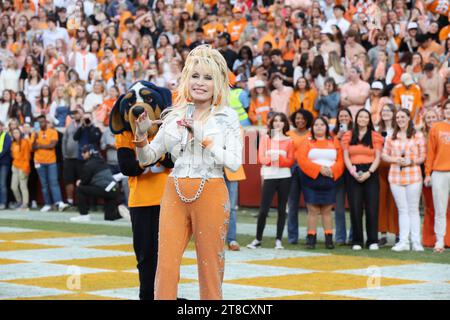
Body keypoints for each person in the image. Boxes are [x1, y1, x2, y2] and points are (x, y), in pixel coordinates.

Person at [134, 45, 242, 300]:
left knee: (210, 268)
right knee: (166, 265)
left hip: (212, 191)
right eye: (195, 76)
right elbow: (148, 157)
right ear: (186, 79)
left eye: (207, 77)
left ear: (217, 83)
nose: (200, 83)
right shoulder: (173, 115)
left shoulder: (227, 117)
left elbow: (235, 163)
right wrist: (140, 137)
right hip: (174, 191)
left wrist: (203, 138)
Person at [247, 112, 295, 250]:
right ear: (272, 123)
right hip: (269, 176)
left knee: (281, 209)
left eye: (281, 121)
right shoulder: (265, 138)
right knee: (263, 209)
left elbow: (291, 161)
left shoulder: (289, 141)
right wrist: (270, 160)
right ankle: (257, 239)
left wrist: (279, 160)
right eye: (275, 121)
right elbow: (260, 158)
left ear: (285, 124)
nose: (278, 123)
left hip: (285, 177)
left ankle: (278, 240)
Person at [382, 108, 426, 251]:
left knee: (413, 210)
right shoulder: (391, 137)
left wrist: (410, 161)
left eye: (403, 117)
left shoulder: (417, 135)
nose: (400, 119)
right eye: (398, 117)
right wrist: (397, 159)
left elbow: (422, 156)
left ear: (408, 118)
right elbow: (384, 155)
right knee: (402, 210)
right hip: (395, 177)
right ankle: (403, 242)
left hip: (413, 176)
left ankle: (416, 242)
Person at [298, 117, 344, 249]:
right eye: (316, 125)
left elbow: (340, 160)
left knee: (327, 210)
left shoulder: (334, 140)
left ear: (326, 127)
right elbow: (301, 159)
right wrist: (319, 169)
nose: (319, 127)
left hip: (330, 179)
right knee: (312, 210)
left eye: (322, 125)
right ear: (312, 127)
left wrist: (332, 170)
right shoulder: (306, 141)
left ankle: (329, 239)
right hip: (311, 179)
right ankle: (311, 238)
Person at [342, 109, 383, 250]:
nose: (363, 119)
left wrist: (369, 172)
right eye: (360, 116)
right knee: (355, 207)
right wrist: (353, 172)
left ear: (369, 120)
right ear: (356, 118)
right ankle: (357, 241)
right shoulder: (348, 135)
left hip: (370, 172)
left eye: (366, 117)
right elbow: (346, 156)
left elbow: (378, 157)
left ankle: (372, 240)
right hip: (353, 172)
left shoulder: (375, 136)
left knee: (372, 207)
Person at [421, 108, 450, 248]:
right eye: (447, 108)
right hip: (439, 172)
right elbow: (431, 153)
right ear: (443, 111)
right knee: (440, 209)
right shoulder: (436, 127)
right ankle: (440, 240)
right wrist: (427, 173)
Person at [70, 144, 122, 222]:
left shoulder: (89, 164)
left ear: (90, 152)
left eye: (84, 152)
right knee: (109, 217)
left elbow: (84, 182)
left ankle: (84, 215)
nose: (82, 154)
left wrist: (80, 181)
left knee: (80, 189)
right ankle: (122, 213)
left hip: (107, 189)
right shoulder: (101, 161)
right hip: (114, 189)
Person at [286, 109, 313, 244]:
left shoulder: (312, 134)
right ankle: (292, 237)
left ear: (308, 120)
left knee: (311, 205)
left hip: (308, 170)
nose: (300, 121)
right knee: (292, 205)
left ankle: (311, 235)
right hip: (291, 170)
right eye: (297, 118)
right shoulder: (288, 134)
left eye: (303, 118)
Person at [31, 115, 69, 212]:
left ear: (46, 122)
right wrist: (35, 139)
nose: (41, 124)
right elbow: (33, 148)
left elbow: (52, 145)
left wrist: (40, 145)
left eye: (43, 122)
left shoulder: (53, 132)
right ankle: (48, 203)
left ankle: (59, 202)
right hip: (39, 161)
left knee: (54, 182)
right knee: (44, 184)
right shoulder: (35, 133)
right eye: (39, 122)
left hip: (51, 161)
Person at [377, 103, 400, 246]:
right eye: (383, 110)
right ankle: (382, 233)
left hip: (395, 167)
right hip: (379, 168)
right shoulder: (375, 129)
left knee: (396, 201)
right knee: (380, 201)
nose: (385, 113)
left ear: (393, 113)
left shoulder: (398, 130)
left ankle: (398, 233)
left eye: (388, 111)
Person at [332, 108, 353, 245]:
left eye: (346, 116)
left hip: (352, 171)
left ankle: (353, 236)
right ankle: (340, 237)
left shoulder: (356, 133)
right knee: (339, 207)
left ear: (351, 118)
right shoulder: (333, 134)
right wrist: (338, 137)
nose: (343, 118)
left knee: (354, 206)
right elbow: (331, 152)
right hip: (338, 172)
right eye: (341, 116)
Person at [62, 108, 83, 206]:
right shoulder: (70, 125)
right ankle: (70, 201)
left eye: (78, 113)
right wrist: (64, 154)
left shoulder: (85, 124)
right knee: (68, 179)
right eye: (75, 113)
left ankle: (81, 201)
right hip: (69, 158)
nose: (76, 115)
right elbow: (64, 140)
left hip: (81, 158)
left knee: (81, 180)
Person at [10, 127, 31, 210]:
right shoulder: (13, 144)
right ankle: (19, 201)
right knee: (13, 186)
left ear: (20, 133)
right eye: (14, 133)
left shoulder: (25, 142)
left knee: (23, 186)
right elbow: (13, 155)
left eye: (17, 133)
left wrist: (25, 168)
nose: (15, 134)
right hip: (15, 166)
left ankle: (25, 204)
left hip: (23, 166)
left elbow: (27, 156)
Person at [0, 121, 12, 209]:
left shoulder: (6, 135)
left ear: (2, 127)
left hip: (4, 163)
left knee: (2, 183)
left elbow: (6, 148)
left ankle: (3, 203)